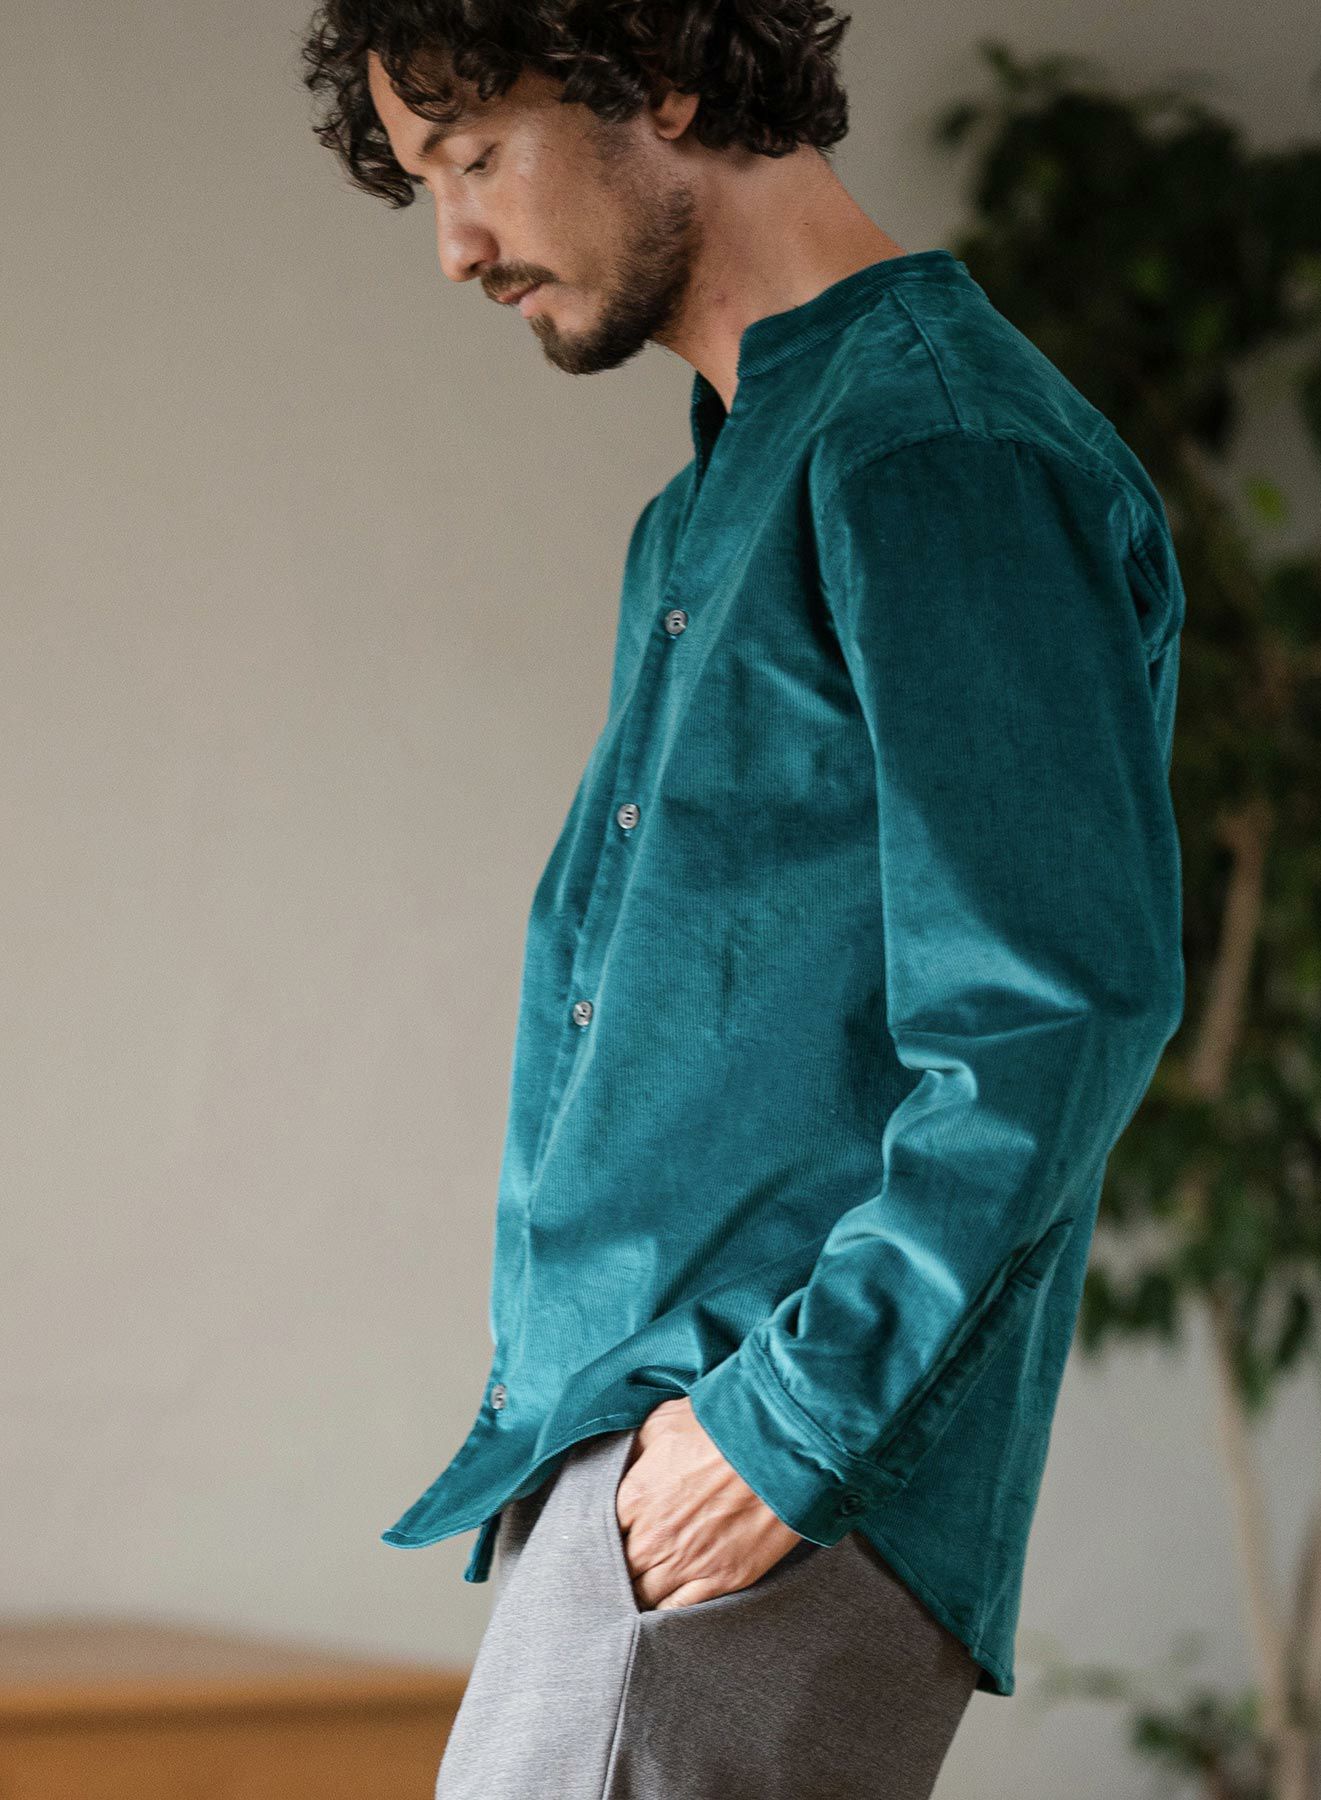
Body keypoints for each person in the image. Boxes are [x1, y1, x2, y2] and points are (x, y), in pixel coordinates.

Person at [301, 4, 1188, 1795]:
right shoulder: (723, 487)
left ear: (664, 72)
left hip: (749, 1487)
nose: (456, 243)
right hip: (656, 1472)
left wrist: (781, 1432)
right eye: (425, 185)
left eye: (475, 159)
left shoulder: (933, 452)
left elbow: (1051, 1010)